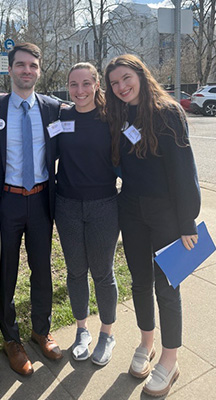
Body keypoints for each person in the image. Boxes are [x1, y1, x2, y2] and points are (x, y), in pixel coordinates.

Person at [104, 54, 200, 396]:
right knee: (140, 282)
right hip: (131, 209)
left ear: (141, 75)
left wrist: (188, 219)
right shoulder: (118, 115)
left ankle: (170, 360)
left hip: (167, 215)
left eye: (126, 78)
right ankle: (147, 343)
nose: (121, 87)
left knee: (166, 286)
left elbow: (183, 170)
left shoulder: (168, 111)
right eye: (114, 83)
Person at [0, 42, 62, 376]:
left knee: (42, 270)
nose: (26, 71)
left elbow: (91, 116)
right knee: (6, 273)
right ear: (10, 68)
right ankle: (11, 339)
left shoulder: (55, 109)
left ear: (39, 70)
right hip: (7, 202)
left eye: (32, 66)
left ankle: (41, 330)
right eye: (20, 65)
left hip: (42, 200)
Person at [55, 62, 119, 366]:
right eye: (73, 84)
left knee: (103, 273)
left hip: (104, 205)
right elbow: (45, 152)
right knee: (76, 271)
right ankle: (82, 330)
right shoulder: (61, 118)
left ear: (96, 84)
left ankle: (107, 333)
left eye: (85, 84)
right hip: (66, 206)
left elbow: (138, 147)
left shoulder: (112, 119)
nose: (79, 91)